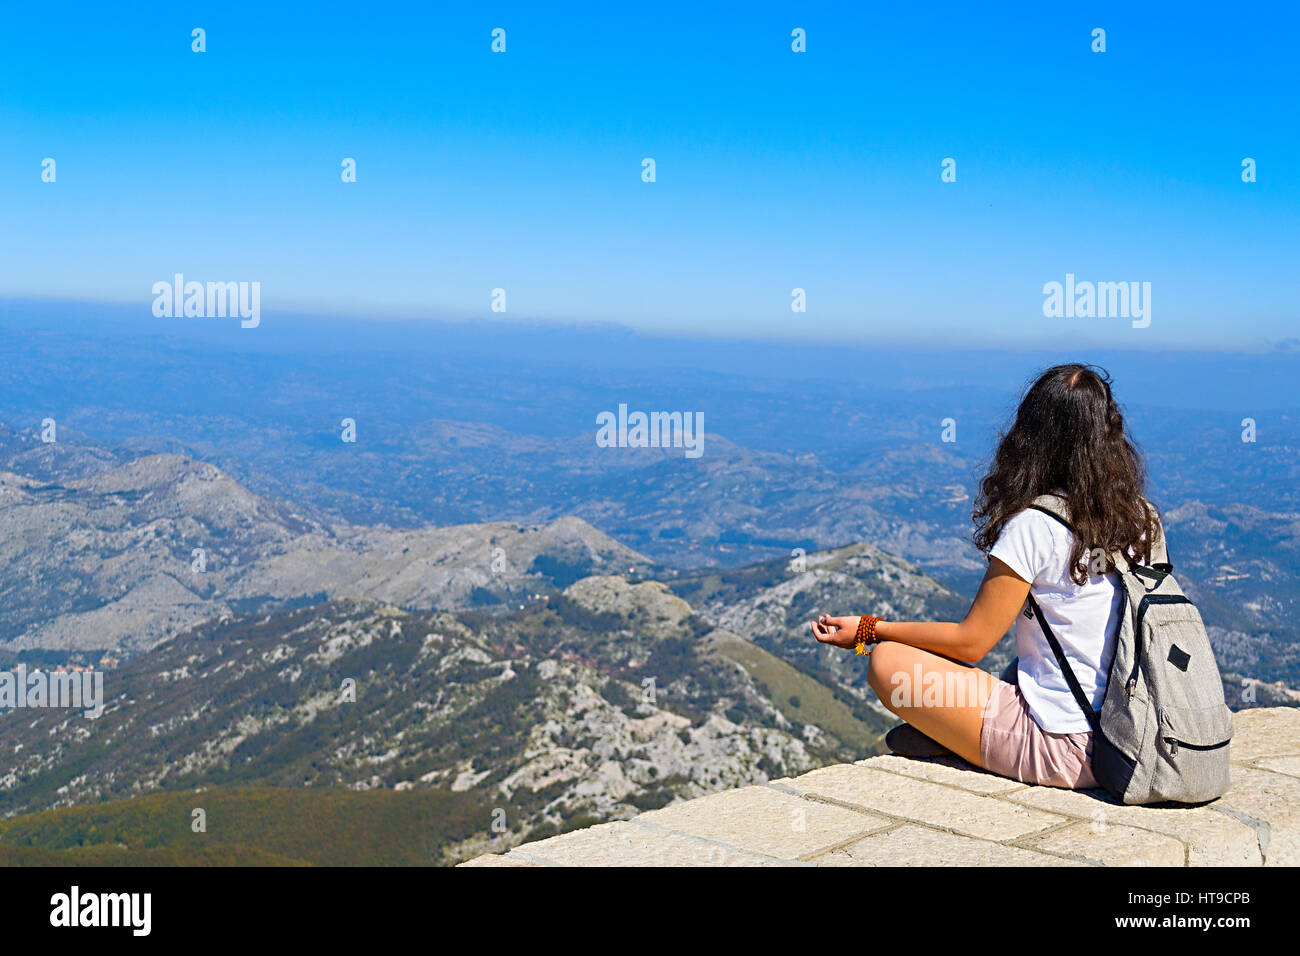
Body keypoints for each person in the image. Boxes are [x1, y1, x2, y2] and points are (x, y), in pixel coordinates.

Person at [810, 364, 1160, 789]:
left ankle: (957, 739)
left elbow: (972, 642)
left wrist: (869, 632)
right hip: (1129, 733)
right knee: (1017, 663)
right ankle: (956, 736)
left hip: (1065, 745)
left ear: (1032, 436)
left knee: (888, 664)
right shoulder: (1141, 517)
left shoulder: (1037, 524)